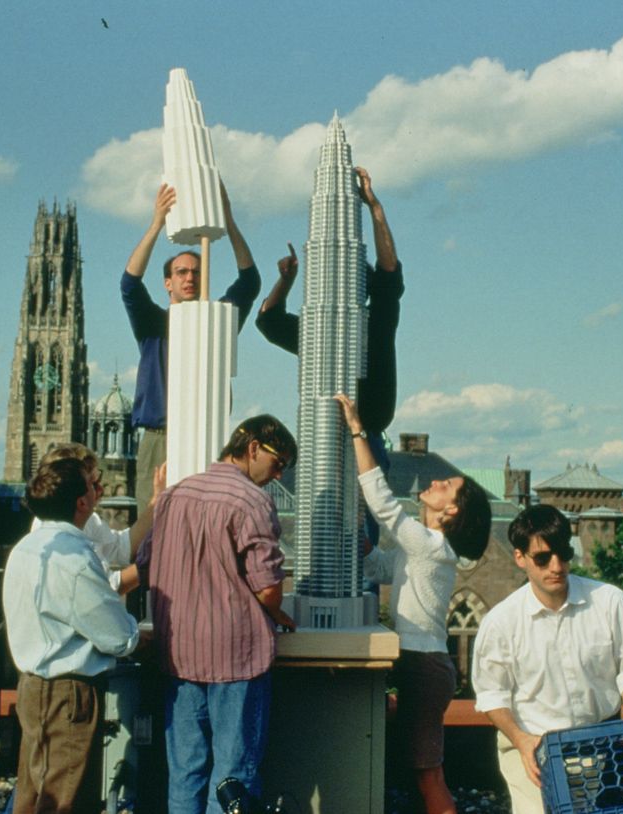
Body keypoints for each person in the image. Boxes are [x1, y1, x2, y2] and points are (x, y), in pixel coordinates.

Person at [336, 393, 491, 814]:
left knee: (428, 774)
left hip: (422, 667)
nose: (436, 482)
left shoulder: (431, 546)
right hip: (419, 666)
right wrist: (357, 538)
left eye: (448, 486)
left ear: (452, 510)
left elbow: (384, 506)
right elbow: (380, 568)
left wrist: (355, 430)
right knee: (419, 768)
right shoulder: (425, 548)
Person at [146, 415, 297, 814]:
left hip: (179, 650)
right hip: (235, 655)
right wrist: (279, 611)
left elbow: (146, 563)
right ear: (253, 449)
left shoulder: (175, 495)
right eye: (278, 462)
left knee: (185, 772)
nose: (278, 474)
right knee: (234, 777)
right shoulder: (251, 500)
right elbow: (266, 587)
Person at [471, 504, 623, 814]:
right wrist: (521, 740)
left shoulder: (609, 601)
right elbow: (491, 695)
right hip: (533, 748)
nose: (556, 566)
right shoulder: (501, 621)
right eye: (542, 558)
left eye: (563, 554)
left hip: (603, 743)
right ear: (520, 558)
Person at [256, 167, 403, 544]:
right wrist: (286, 281)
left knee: (362, 546)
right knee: (324, 538)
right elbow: (268, 322)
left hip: (366, 438)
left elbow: (390, 271)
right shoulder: (319, 330)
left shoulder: (378, 316)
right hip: (325, 438)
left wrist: (374, 207)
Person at [3, 457, 139, 814]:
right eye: (93, 485)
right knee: (66, 799)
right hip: (67, 693)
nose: (100, 491)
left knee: (33, 796)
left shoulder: (26, 548)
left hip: (33, 686)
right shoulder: (76, 558)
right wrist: (137, 631)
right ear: (82, 503)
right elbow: (117, 637)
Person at [121, 181, 261, 512]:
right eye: (181, 272)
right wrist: (156, 223)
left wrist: (227, 220)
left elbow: (250, 281)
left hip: (204, 435)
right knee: (154, 527)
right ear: (168, 283)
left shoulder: (218, 321)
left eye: (196, 272)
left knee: (201, 523)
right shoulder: (154, 325)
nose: (189, 278)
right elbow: (129, 284)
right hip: (161, 438)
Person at [29, 443, 164, 594]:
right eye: (92, 483)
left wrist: (157, 500)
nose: (100, 489)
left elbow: (121, 547)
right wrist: (158, 562)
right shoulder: (58, 532)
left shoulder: (84, 518)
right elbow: (108, 587)